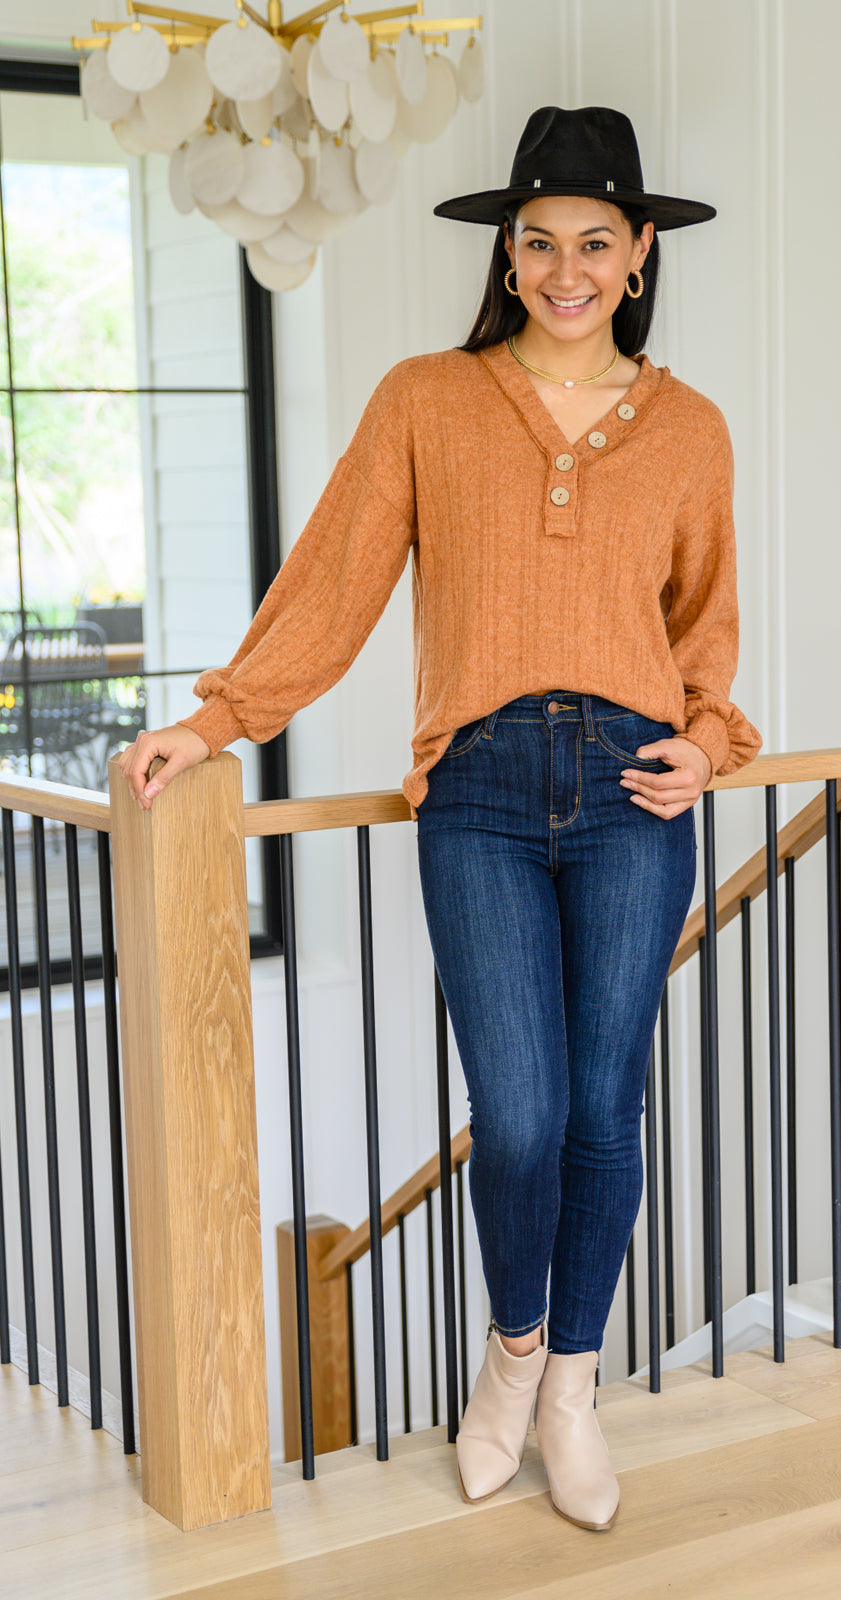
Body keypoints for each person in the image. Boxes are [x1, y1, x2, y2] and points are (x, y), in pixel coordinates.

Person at [119, 104, 761, 1533]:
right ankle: (512, 1356)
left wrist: (710, 745)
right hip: (475, 791)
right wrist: (215, 720)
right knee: (517, 1116)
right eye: (538, 242)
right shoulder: (427, 399)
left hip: (634, 794)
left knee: (603, 1111)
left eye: (594, 241)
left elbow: (703, 635)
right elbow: (334, 582)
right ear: (507, 254)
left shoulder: (691, 430)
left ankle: (572, 1393)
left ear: (639, 254)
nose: (564, 269)